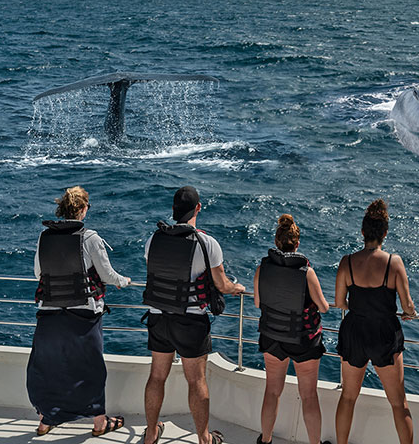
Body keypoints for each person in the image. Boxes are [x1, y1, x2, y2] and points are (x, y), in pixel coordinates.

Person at [141, 186, 244, 444]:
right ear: (198, 208)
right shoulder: (206, 243)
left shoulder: (153, 239)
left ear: (174, 210)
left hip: (158, 317)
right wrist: (236, 287)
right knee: (196, 381)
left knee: (156, 376)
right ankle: (204, 438)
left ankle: (151, 433)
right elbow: (221, 285)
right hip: (190, 321)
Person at [26, 186, 131, 437]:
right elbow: (106, 275)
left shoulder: (45, 237)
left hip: (49, 314)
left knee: (49, 367)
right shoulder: (90, 238)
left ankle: (46, 420)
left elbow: (39, 274)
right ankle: (99, 423)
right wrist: (123, 280)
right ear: (83, 209)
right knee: (90, 368)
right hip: (84, 315)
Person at [333, 199, 417, 444]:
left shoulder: (347, 262)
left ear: (362, 232)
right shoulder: (394, 263)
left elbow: (339, 302)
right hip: (384, 333)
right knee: (399, 403)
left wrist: (357, 308)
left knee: (348, 397)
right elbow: (407, 305)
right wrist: (411, 313)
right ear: (385, 234)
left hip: (355, 330)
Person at [253, 215, 331, 444]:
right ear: (297, 244)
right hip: (303, 340)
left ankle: (265, 440)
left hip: (272, 336)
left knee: (272, 391)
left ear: (277, 242)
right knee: (308, 396)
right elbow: (324, 308)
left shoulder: (263, 268)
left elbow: (258, 303)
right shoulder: (306, 273)